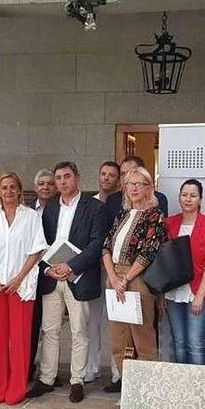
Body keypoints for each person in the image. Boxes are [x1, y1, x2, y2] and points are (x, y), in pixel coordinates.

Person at [27, 162, 106, 403]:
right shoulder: (49, 208)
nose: (62, 182)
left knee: (79, 331)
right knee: (50, 330)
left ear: (77, 178)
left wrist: (71, 266)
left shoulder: (94, 207)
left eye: (67, 177)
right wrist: (48, 269)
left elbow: (96, 244)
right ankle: (47, 378)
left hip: (77, 276)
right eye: (58, 178)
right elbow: (40, 243)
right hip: (52, 277)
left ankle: (77, 380)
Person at [0, 172, 47, 405]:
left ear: (20, 190)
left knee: (21, 338)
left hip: (21, 285)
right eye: (4, 187)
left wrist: (19, 278)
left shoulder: (31, 217)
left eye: (13, 187)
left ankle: (16, 388)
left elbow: (36, 250)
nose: (9, 191)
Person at [101, 167, 166, 393]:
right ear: (125, 188)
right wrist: (113, 277)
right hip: (114, 278)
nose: (135, 188)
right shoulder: (122, 214)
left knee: (143, 340)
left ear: (149, 188)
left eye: (140, 184)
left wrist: (126, 278)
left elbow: (148, 252)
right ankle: (130, 393)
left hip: (138, 279)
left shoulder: (154, 216)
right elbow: (106, 247)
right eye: (130, 184)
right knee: (119, 341)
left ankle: (147, 394)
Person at [164, 179, 205, 365]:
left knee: (195, 343)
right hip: (173, 292)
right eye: (184, 195)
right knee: (179, 342)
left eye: (193, 195)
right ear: (179, 198)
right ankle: (182, 387)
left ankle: (199, 390)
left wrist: (199, 296)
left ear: (200, 199)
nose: (188, 199)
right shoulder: (169, 223)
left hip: (199, 292)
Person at [85, 161, 121, 384]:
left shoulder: (122, 203)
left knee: (117, 322)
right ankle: (92, 367)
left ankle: (118, 371)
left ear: (118, 180)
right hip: (93, 270)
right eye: (103, 174)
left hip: (118, 272)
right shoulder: (89, 204)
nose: (106, 178)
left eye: (112, 175)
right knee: (92, 321)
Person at [27, 168, 58, 378]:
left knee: (50, 328)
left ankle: (50, 372)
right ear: (35, 187)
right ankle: (27, 366)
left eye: (49, 183)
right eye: (41, 184)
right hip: (28, 274)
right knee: (29, 325)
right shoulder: (27, 211)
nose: (45, 187)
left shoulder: (62, 209)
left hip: (53, 273)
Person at [105, 156, 169, 230]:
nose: (126, 177)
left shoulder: (159, 199)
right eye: (123, 174)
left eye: (131, 173)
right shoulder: (112, 200)